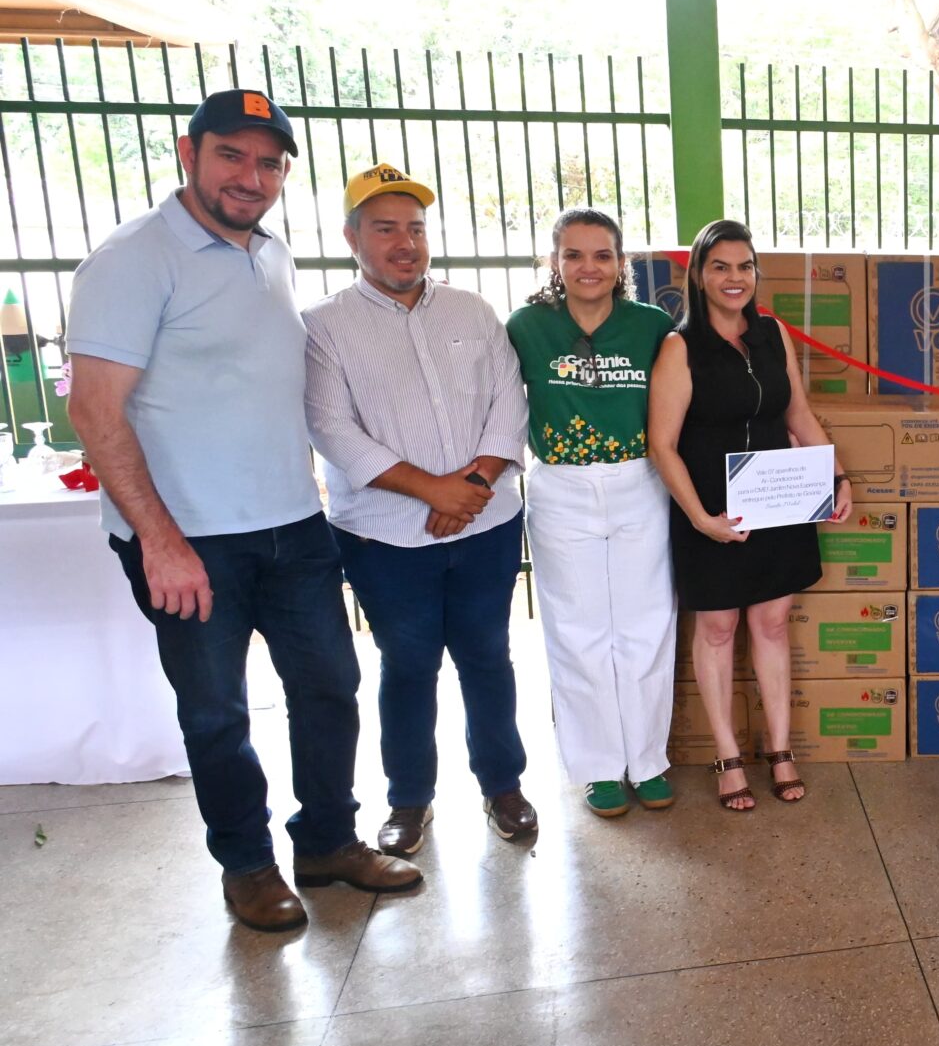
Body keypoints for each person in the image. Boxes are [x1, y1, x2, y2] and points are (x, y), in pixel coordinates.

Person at [66, 89, 422, 933]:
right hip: (191, 539)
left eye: (269, 163)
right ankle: (248, 865)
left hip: (291, 524)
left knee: (331, 686)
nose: (250, 176)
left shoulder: (270, 253)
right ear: (189, 155)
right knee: (217, 712)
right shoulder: (132, 259)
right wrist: (160, 540)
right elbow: (94, 412)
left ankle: (328, 840)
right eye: (232, 154)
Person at [302, 164, 537, 856]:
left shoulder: (473, 310)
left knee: (489, 657)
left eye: (414, 228)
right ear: (352, 237)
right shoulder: (323, 327)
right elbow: (332, 430)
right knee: (407, 664)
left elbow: (510, 401)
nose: (404, 244)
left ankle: (503, 785)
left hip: (486, 523)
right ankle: (410, 799)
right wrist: (432, 491)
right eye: (385, 229)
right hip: (384, 539)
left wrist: (470, 485)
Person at [648, 219, 851, 811]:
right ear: (699, 275)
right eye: (720, 266)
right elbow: (662, 445)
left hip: (780, 497)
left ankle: (780, 749)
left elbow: (800, 417)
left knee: (770, 623)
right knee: (717, 628)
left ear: (755, 274)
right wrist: (700, 518)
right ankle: (727, 756)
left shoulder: (772, 335)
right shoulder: (679, 348)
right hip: (710, 504)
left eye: (744, 266)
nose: (734, 278)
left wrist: (837, 477)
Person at [505, 209, 678, 817]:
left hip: (639, 481)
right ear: (554, 261)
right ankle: (600, 768)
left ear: (621, 263)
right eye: (573, 255)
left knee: (646, 625)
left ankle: (649, 760)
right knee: (578, 633)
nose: (588, 267)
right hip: (562, 487)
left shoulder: (653, 327)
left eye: (602, 255)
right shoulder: (526, 326)